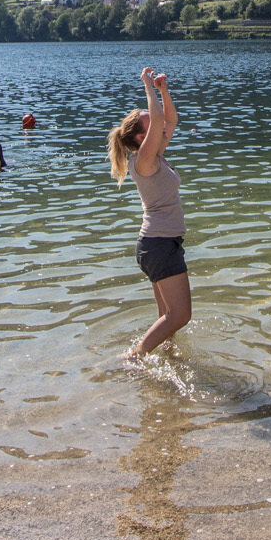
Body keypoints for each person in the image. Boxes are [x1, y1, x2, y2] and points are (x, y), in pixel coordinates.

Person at [108, 67, 189, 358]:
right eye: (149, 126)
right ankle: (134, 357)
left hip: (162, 243)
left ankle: (166, 357)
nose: (158, 129)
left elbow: (168, 119)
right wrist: (146, 84)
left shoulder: (155, 155)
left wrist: (163, 89)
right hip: (159, 245)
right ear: (142, 137)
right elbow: (157, 119)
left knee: (166, 314)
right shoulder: (143, 161)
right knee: (180, 315)